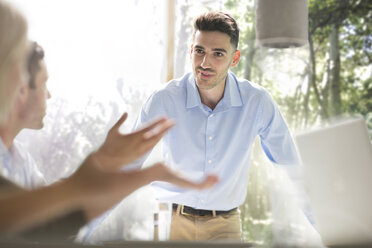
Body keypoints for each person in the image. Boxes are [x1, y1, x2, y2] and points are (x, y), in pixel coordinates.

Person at [0, 0, 218, 240]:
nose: (22, 80)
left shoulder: (19, 161)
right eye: (16, 65)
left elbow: (46, 227)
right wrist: (87, 182)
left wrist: (100, 168)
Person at [129, 11, 302, 241]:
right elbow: (125, 165)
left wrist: (327, 230)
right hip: (173, 223)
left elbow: (292, 166)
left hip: (226, 226)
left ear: (235, 58)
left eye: (218, 54)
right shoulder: (164, 100)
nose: (204, 63)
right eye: (199, 51)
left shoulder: (256, 102)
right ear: (191, 50)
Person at [0, 42, 49, 189]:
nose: (49, 95)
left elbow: (51, 208)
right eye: (44, 84)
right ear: (21, 90)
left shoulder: (22, 160)